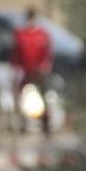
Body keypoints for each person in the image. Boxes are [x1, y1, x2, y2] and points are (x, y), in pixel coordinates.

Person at [11, 7, 54, 137]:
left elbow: (47, 53)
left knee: (43, 95)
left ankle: (45, 125)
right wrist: (16, 68)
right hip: (24, 70)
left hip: (38, 71)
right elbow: (16, 53)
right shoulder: (20, 34)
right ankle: (22, 124)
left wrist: (44, 66)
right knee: (19, 96)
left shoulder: (42, 35)